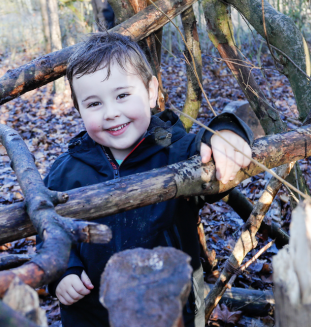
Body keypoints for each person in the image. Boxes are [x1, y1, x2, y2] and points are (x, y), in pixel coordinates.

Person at [44, 32, 253, 327]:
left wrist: (225, 134)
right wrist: (63, 271)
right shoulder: (65, 171)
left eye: (122, 95)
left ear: (151, 91)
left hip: (173, 309)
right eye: (93, 104)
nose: (111, 113)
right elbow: (50, 232)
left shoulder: (177, 151)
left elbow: (206, 146)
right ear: (78, 109)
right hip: (92, 312)